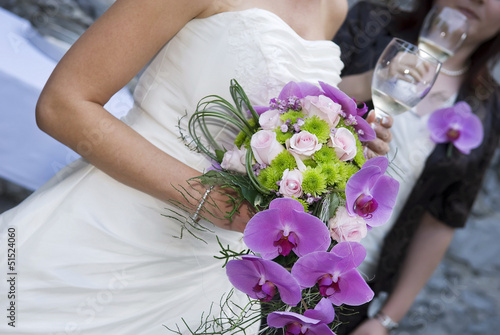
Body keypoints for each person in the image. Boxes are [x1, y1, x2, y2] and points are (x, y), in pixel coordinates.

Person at [0, 0, 369, 334]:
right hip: (113, 230)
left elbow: (282, 103)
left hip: (216, 276)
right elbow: (62, 105)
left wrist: (349, 141)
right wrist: (204, 195)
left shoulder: (332, 7)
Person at [333, 0, 500, 334]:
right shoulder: (373, 22)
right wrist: (370, 81)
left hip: (350, 283)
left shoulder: (487, 107)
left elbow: (441, 220)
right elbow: (291, 99)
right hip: (287, 229)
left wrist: (384, 320)